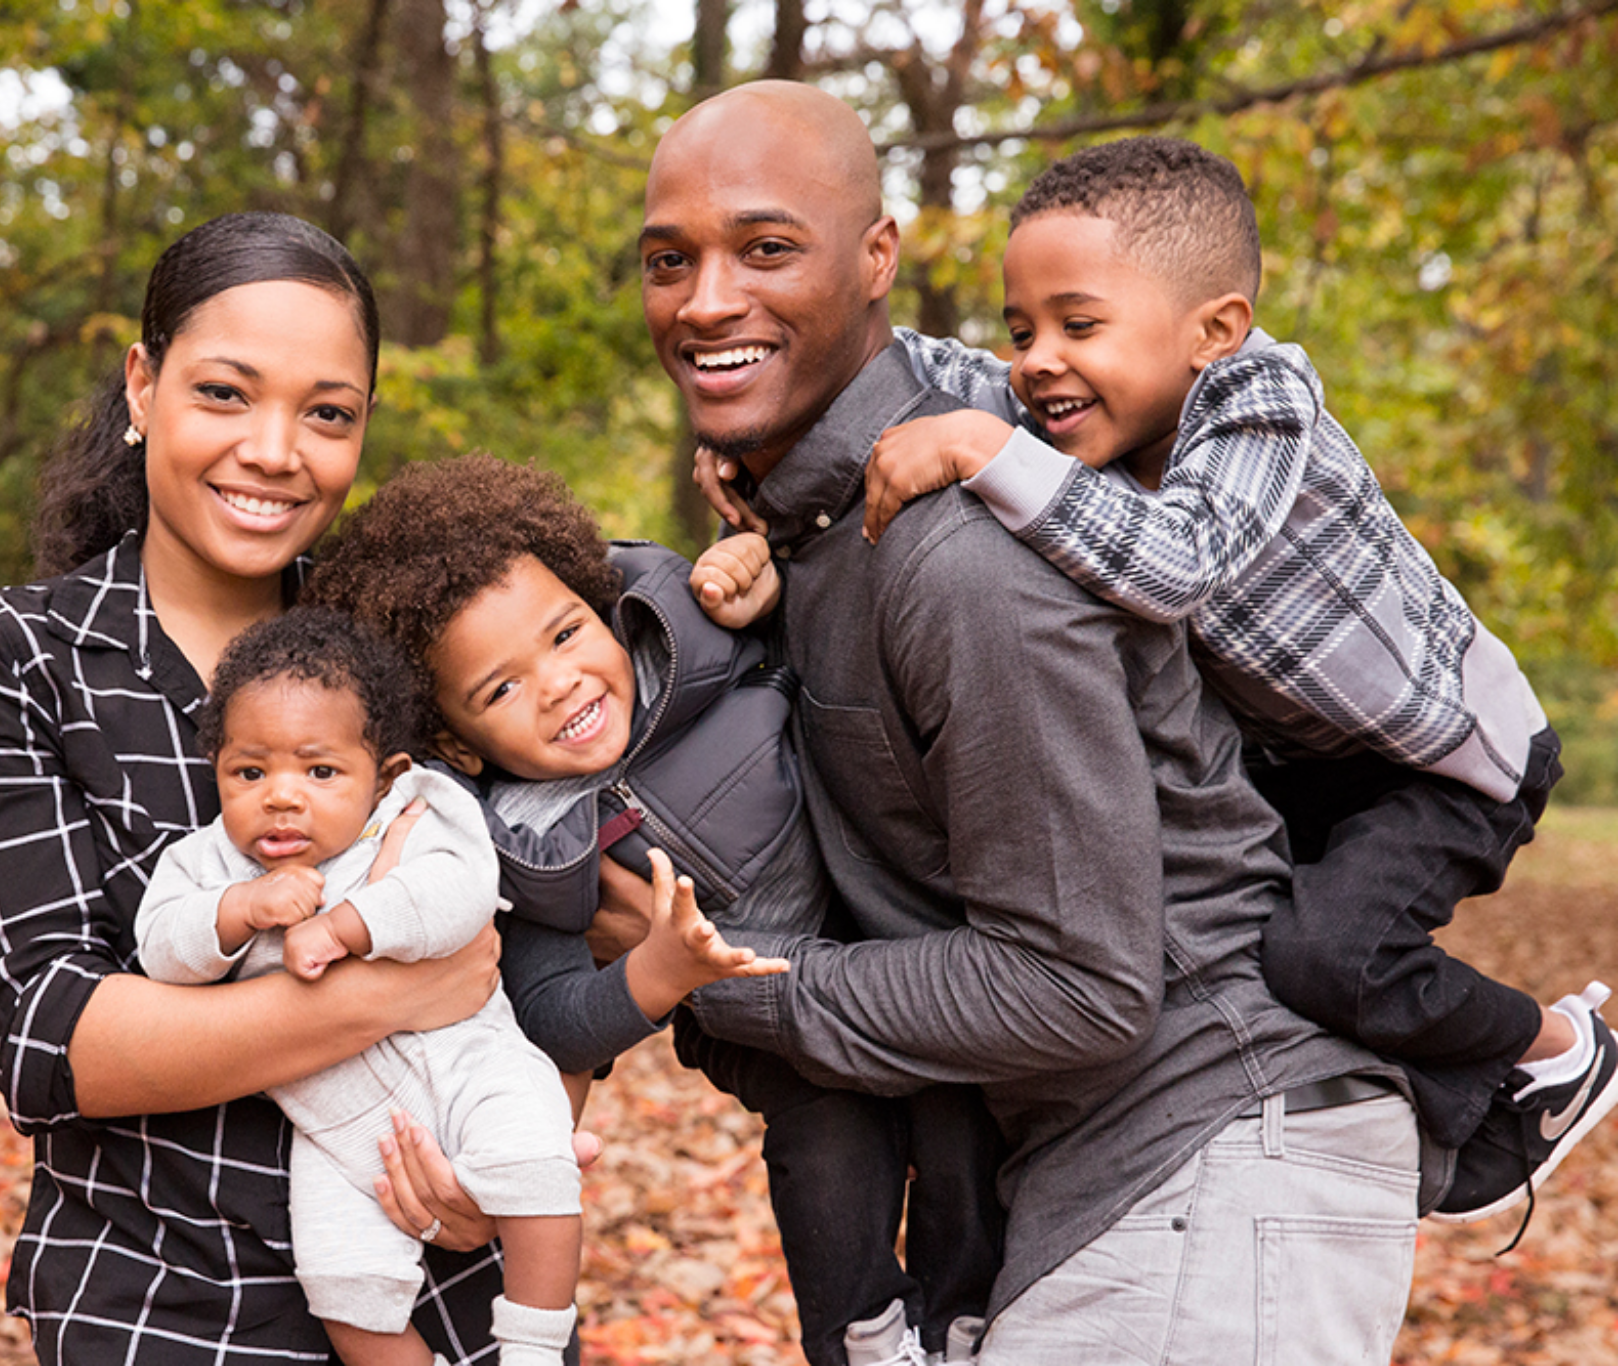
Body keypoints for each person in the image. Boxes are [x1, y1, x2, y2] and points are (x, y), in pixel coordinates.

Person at [645, 80, 1420, 1364]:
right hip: (1089, 1181)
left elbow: (1076, 985)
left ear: (877, 256)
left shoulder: (958, 553)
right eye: (669, 260)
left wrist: (727, 983)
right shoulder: (817, 524)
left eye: (765, 247)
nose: (706, 299)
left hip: (1208, 1157)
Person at [824, 136, 1612, 1234]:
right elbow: (929, 374)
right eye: (1021, 330)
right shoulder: (1077, 414)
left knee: (1328, 953)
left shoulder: (1257, 402)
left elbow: (1176, 560)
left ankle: (1557, 1048)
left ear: (1214, 330)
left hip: (1447, 762)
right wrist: (789, 405)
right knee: (1225, 933)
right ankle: (1387, 1104)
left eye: (1078, 324)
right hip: (1308, 759)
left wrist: (978, 451)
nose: (1035, 360)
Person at [0, 212, 522, 1363]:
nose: (276, 449)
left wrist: (516, 1150)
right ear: (142, 386)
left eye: (326, 412)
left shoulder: (397, 642)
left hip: (446, 1300)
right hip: (163, 1306)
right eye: (226, 393)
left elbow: (547, 898)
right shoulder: (11, 660)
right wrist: (388, 992)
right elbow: (48, 1034)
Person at [306, 453, 1004, 1366]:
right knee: (829, 1154)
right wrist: (653, 974)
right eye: (501, 689)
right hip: (776, 1039)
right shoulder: (525, 848)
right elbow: (555, 1021)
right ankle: (863, 1336)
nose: (557, 684)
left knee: (961, 1127)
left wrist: (755, 568)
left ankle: (970, 1318)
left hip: (887, 935)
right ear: (453, 742)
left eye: (564, 635)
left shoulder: (696, 647)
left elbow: (814, 614)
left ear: (601, 604)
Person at [133, 608, 581, 1366]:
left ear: (384, 774)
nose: (280, 795)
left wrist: (347, 925)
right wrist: (238, 911)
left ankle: (533, 1348)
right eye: (249, 772)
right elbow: (159, 951)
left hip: (468, 1064)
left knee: (537, 1171)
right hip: (339, 1133)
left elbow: (459, 895)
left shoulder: (416, 814)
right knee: (343, 1284)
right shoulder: (204, 865)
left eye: (320, 771)